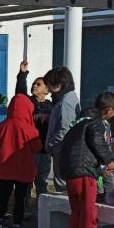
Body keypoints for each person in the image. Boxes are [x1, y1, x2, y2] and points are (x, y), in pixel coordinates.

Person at [57, 92, 114, 228]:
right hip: (84, 172)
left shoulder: (77, 126)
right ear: (109, 110)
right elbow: (97, 142)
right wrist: (108, 160)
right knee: (88, 209)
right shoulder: (96, 124)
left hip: (71, 172)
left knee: (77, 208)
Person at [0, 94, 43, 228]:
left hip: (4, 168)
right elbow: (37, 147)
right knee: (20, 198)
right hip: (23, 169)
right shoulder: (30, 129)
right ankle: (17, 223)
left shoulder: (2, 126)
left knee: (3, 195)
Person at [15, 61, 53, 196]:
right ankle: (24, 210)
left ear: (47, 90)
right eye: (33, 83)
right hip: (29, 148)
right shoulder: (28, 102)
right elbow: (20, 93)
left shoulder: (51, 106)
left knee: (41, 182)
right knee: (26, 181)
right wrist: (22, 74)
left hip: (44, 149)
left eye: (38, 84)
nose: (34, 86)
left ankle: (41, 211)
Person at [44, 66, 82, 194]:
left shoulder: (66, 101)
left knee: (62, 185)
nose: (48, 89)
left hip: (62, 149)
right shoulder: (69, 98)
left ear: (59, 84)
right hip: (64, 148)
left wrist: (51, 143)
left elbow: (65, 128)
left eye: (49, 85)